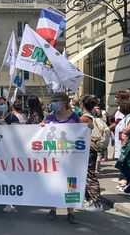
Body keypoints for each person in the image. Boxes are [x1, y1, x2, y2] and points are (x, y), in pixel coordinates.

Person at [42, 93, 81, 224]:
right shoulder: (49, 118)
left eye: (56, 100)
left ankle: (71, 212)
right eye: (52, 100)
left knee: (70, 185)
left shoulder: (74, 118)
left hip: (70, 160)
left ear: (65, 102)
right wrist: (40, 127)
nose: (53, 103)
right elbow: (40, 135)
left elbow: (81, 134)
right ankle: (53, 209)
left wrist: (88, 128)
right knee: (54, 183)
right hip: (53, 159)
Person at [80, 95, 103, 212]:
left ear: (83, 105)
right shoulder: (93, 115)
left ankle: (96, 202)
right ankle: (90, 199)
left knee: (90, 175)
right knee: (88, 174)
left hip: (87, 149)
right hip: (91, 149)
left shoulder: (84, 118)